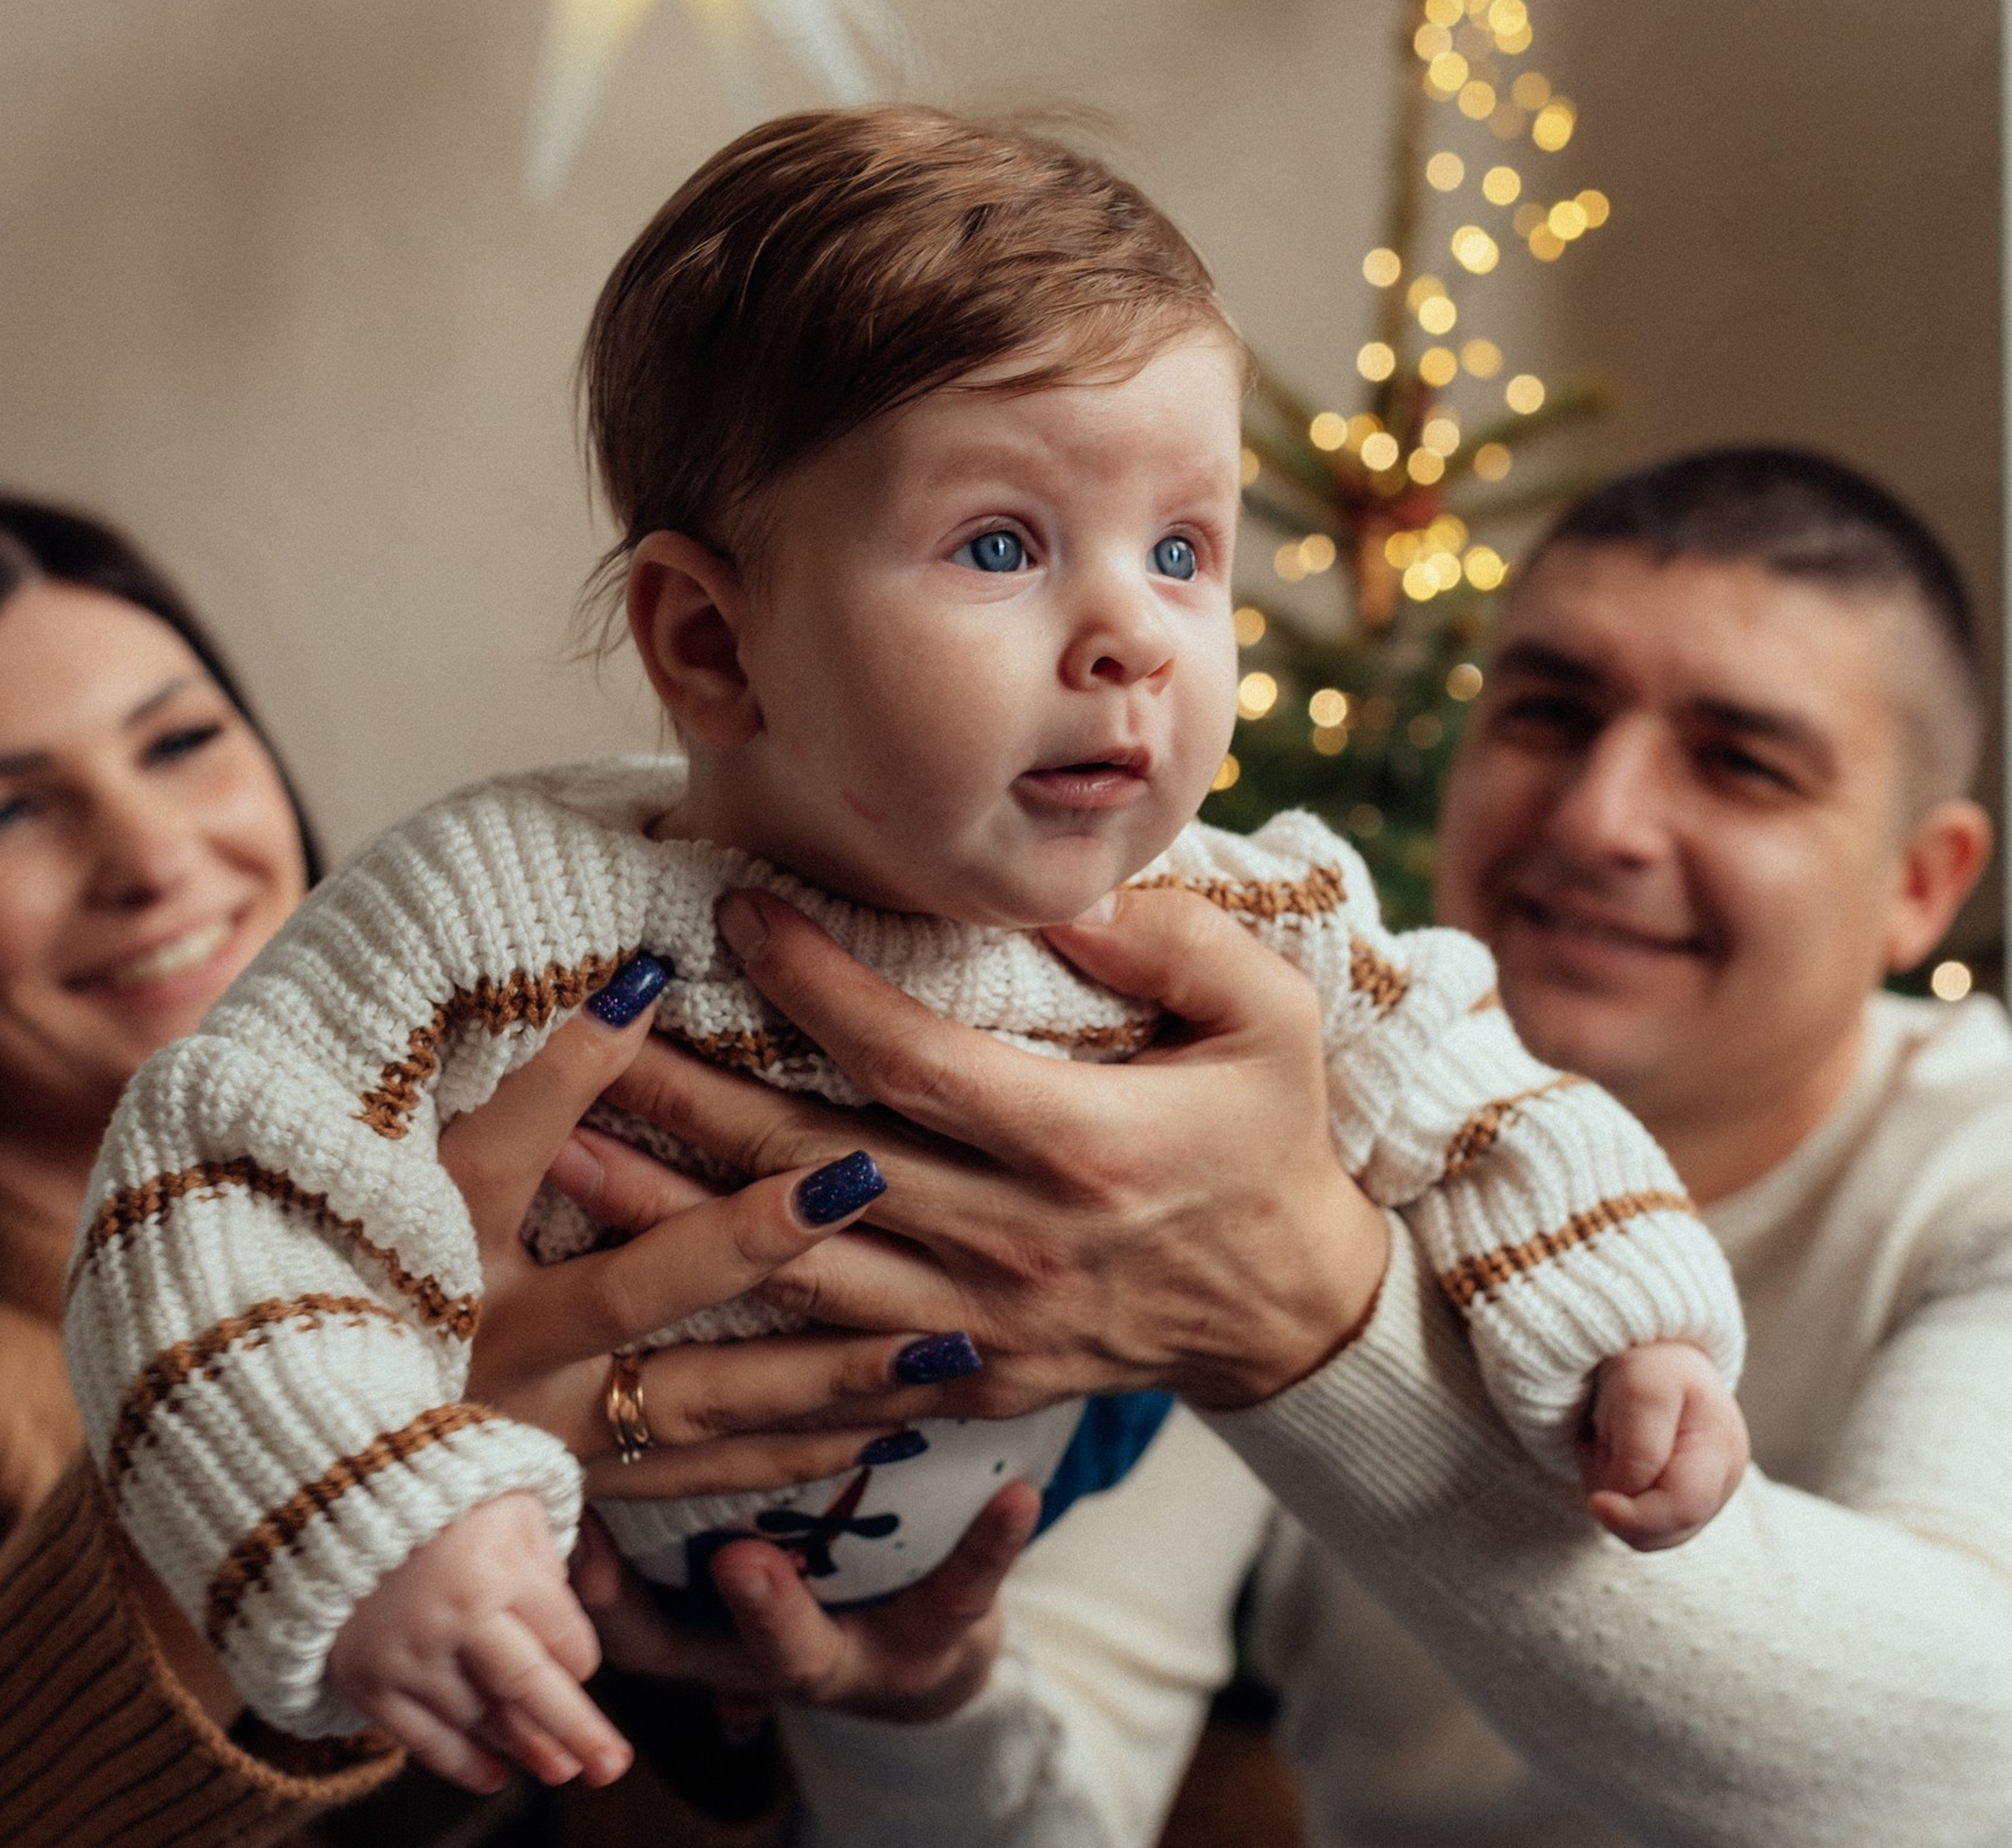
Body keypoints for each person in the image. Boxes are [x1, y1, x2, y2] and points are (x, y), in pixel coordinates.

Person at [68, 106, 1748, 1799]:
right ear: (712, 642)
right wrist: (373, 1509)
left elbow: (1468, 1086)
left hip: (993, 1537)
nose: (1133, 636)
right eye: (1001, 545)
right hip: (547, 1591)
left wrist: (1630, 1326)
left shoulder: (1234, 918)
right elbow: (213, 1184)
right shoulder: (500, 910)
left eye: (1182, 548)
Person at [590, 446, 2012, 1846]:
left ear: (1923, 884)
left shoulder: (1983, 1174)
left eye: (1742, 763)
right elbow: (1062, 1782)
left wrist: (1301, 1310)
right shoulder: (1218, 1105)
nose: (1598, 820)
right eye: (1549, 715)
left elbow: (1953, 1767)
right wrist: (913, 1695)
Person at [0, 497, 991, 1847]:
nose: (155, 859)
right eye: (10, 809)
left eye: (178, 743)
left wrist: (812, 1676)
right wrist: (336, 1462)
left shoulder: (545, 1088)